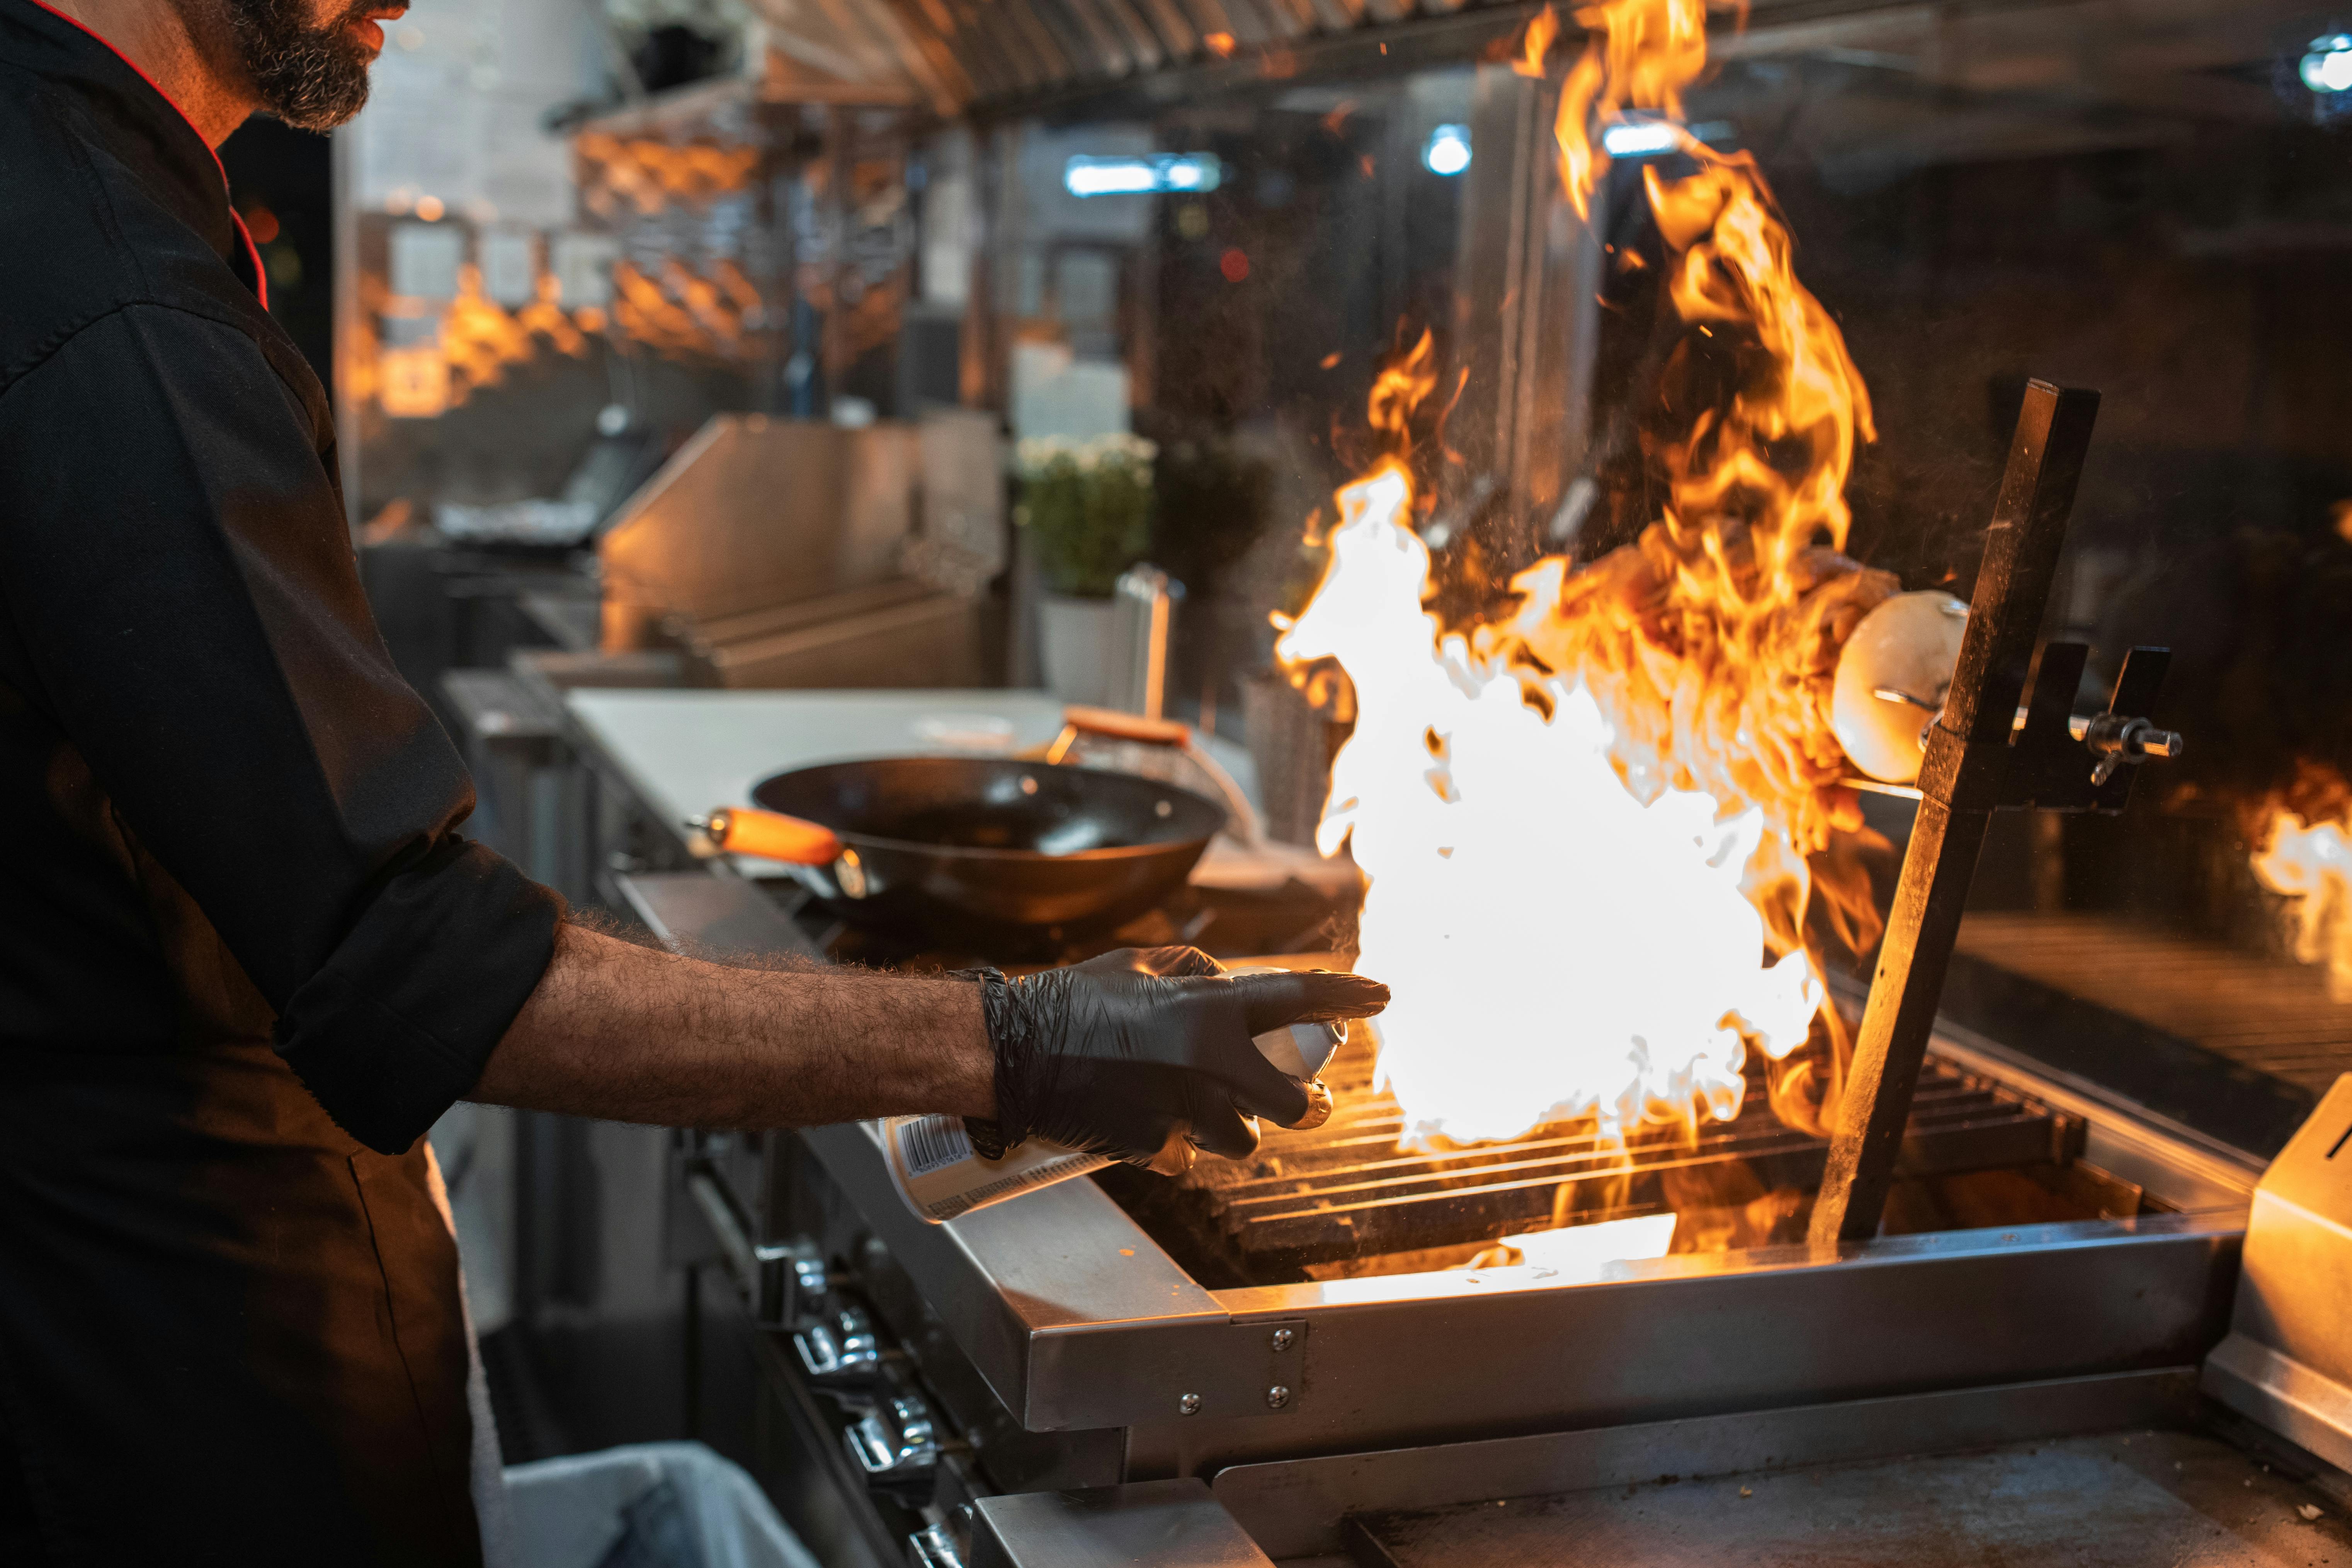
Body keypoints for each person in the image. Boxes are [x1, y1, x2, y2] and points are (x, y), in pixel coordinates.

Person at [0, 0, 1389, 1561]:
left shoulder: (69, 187)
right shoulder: (112, 291)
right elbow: (411, 965)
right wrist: (1023, 1036)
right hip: (172, 1364)